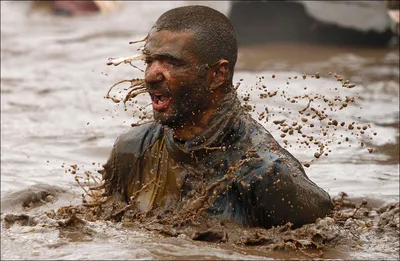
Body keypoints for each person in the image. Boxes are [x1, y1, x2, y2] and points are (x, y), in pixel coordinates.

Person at [101, 5, 333, 228]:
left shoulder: (267, 174)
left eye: (171, 62)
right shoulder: (132, 151)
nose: (150, 76)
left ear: (218, 75)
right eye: (149, 61)